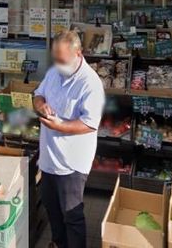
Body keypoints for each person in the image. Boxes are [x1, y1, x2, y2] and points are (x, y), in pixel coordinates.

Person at [33, 30, 104, 248]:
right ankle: (57, 243)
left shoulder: (90, 83)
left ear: (78, 54)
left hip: (71, 164)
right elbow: (37, 94)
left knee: (72, 215)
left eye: (62, 60)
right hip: (48, 159)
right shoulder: (54, 72)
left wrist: (61, 126)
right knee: (52, 209)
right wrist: (40, 106)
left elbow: (90, 123)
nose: (58, 64)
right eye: (56, 59)